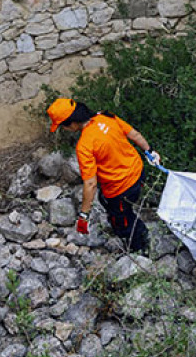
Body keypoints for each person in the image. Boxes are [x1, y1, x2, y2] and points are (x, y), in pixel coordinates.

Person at [47, 98, 163, 253]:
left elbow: (90, 184)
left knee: (122, 219)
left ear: (72, 123)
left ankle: (140, 248)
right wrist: (150, 151)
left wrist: (84, 215)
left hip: (121, 189)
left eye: (63, 126)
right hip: (138, 172)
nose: (64, 129)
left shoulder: (85, 145)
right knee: (105, 199)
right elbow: (134, 134)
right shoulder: (106, 117)